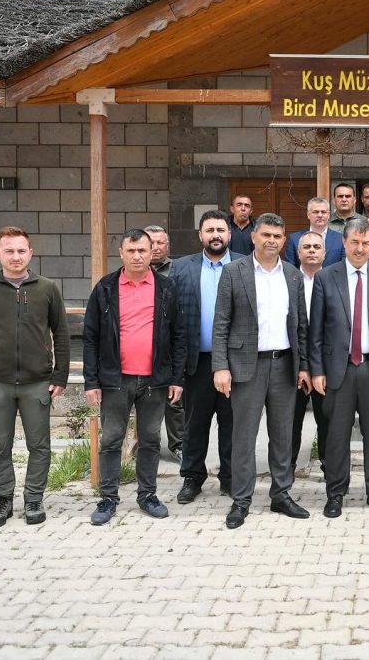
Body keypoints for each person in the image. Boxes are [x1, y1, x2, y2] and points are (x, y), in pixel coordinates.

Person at [0, 226, 70, 528]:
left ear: (30, 253)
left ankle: (34, 498)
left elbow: (61, 333)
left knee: (40, 445)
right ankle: (2, 500)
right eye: (9, 251)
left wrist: (60, 375)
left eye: (21, 250)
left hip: (38, 382)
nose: (16, 256)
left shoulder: (47, 288)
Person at [212, 213, 310, 528]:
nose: (271, 241)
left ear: (284, 241)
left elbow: (301, 326)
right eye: (266, 234)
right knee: (244, 436)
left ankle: (281, 495)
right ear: (254, 236)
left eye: (277, 236)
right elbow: (221, 323)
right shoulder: (233, 272)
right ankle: (241, 500)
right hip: (245, 367)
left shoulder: (293, 275)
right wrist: (220, 366)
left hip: (284, 366)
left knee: (282, 436)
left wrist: (304, 366)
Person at [83, 229, 185, 526]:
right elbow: (91, 337)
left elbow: (179, 336)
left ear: (152, 252)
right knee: (111, 439)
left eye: (142, 250)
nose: (137, 256)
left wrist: (177, 378)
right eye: (131, 251)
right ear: (121, 253)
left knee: (151, 439)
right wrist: (91, 381)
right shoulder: (106, 288)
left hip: (155, 379)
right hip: (116, 379)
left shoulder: (166, 288)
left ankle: (147, 495)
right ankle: (108, 498)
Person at [309, 218, 369, 518]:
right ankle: (335, 493)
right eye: (354, 242)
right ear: (344, 243)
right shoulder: (326, 277)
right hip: (339, 370)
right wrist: (317, 370)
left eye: (365, 243)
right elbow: (316, 331)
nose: (360, 248)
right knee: (337, 436)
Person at [170, 211, 241, 504]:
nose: (215, 235)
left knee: (231, 422)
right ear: (200, 235)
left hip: (234, 362)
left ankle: (230, 477)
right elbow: (172, 317)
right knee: (195, 424)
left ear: (229, 234)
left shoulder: (244, 265)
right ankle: (192, 477)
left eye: (220, 230)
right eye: (209, 230)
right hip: (196, 362)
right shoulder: (180, 268)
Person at [290, 231, 330, 474]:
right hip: (293, 364)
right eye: (307, 247)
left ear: (325, 252)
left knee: (327, 419)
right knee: (291, 420)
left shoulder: (335, 280)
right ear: (298, 252)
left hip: (326, 364)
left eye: (317, 247)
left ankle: (329, 466)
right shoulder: (288, 279)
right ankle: (288, 467)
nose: (312, 250)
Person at [145, 224, 185, 464]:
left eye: (161, 243)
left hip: (169, 343)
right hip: (141, 343)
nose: (156, 247)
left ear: (168, 246)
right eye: (151, 243)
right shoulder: (133, 270)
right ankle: (144, 444)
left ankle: (178, 445)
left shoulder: (178, 269)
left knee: (174, 398)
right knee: (141, 397)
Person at [284, 196, 345, 268]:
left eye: (323, 212)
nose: (320, 215)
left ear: (328, 215)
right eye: (316, 212)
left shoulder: (340, 239)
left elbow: (344, 267)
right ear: (308, 215)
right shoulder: (294, 239)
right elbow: (289, 268)